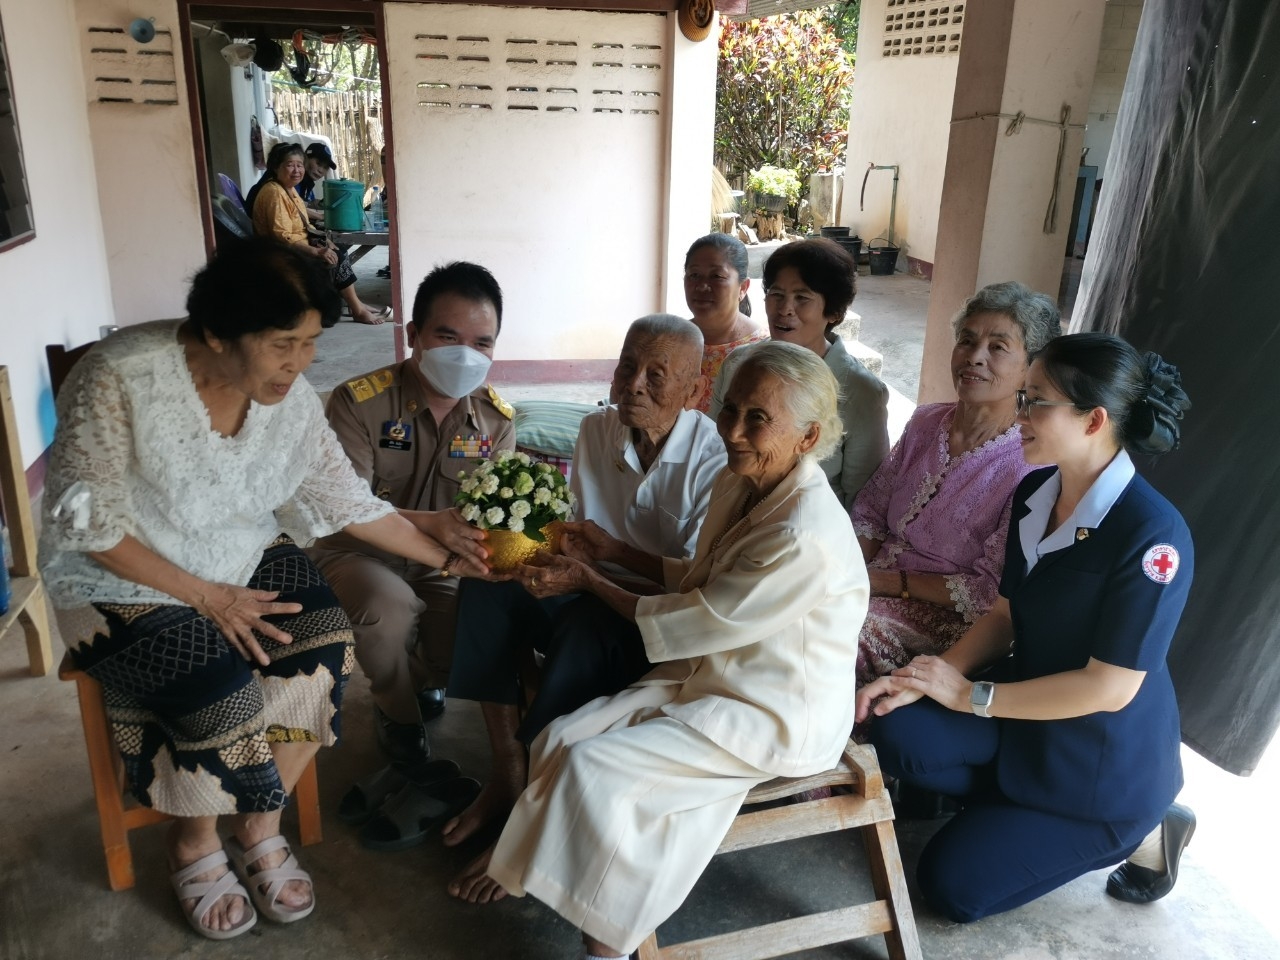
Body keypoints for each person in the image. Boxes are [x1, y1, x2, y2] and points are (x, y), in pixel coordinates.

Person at [36, 238, 489, 941]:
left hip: (237, 551)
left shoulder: (291, 401)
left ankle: (257, 821)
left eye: (310, 342)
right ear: (216, 332)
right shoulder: (119, 377)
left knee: (326, 643)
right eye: (284, 343)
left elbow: (349, 502)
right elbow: (93, 530)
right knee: (224, 691)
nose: (299, 364)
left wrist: (449, 560)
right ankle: (192, 842)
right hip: (121, 572)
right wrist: (206, 597)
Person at [453, 342, 867, 960]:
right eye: (731, 410)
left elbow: (698, 617)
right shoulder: (741, 480)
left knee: (598, 772)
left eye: (758, 419)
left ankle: (605, 944)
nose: (733, 430)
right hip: (715, 677)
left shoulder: (803, 534)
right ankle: (530, 863)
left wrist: (591, 581)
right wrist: (614, 552)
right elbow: (703, 576)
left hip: (774, 711)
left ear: (808, 438)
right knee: (560, 739)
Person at [856, 332, 1195, 923]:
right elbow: (1006, 614)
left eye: (1036, 401)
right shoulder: (1038, 491)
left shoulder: (1152, 537)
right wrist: (931, 675)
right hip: (1023, 715)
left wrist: (970, 695)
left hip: (1100, 763)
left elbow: (1108, 688)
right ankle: (1009, 806)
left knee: (950, 888)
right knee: (898, 726)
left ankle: (1144, 831)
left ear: (1093, 420)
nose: (1019, 415)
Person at [438, 315, 727, 867]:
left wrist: (593, 575)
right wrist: (521, 557)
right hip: (588, 587)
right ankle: (507, 772)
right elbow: (573, 531)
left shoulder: (710, 461)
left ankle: (535, 809)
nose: (634, 384)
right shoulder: (598, 430)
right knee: (489, 586)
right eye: (627, 366)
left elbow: (690, 585)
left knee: (584, 629)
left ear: (693, 390)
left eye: (656, 374)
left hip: (651, 618)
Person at [307, 261, 515, 814]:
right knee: (389, 610)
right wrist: (431, 525)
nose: (465, 353)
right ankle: (396, 714)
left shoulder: (495, 422)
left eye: (482, 341)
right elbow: (342, 510)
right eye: (448, 336)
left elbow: (496, 516)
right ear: (413, 335)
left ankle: (413, 679)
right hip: (357, 552)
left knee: (470, 633)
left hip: (443, 562)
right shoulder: (359, 402)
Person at [850, 281, 1060, 689]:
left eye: (998, 347)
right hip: (869, 583)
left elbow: (988, 591)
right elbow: (871, 513)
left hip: (952, 620)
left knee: (831, 641)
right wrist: (847, 571)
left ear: (1029, 368)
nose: (975, 358)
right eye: (966, 340)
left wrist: (881, 584)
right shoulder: (926, 422)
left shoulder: (1031, 462)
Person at [711, 237, 890, 509]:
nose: (784, 310)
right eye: (776, 294)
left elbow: (865, 503)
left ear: (834, 312)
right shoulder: (738, 365)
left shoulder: (861, 393)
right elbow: (712, 452)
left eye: (802, 298)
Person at [250, 142, 392, 327]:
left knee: (336, 248)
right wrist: (316, 251)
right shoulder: (274, 193)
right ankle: (356, 309)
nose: (296, 170)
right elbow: (282, 237)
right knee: (335, 255)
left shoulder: (288, 188)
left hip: (292, 246)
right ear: (276, 167)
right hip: (279, 253)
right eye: (290, 165)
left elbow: (304, 224)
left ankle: (354, 304)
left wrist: (321, 240)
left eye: (299, 165)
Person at [682, 233, 766, 412]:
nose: (702, 285)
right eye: (694, 275)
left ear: (742, 288)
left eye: (716, 276)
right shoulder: (669, 340)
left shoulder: (761, 351)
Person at [297, 142, 336, 219]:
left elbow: (307, 203)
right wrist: (321, 217)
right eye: (318, 163)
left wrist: (323, 204)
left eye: (325, 167)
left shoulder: (308, 183)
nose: (321, 170)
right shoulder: (293, 180)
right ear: (305, 158)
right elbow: (292, 206)